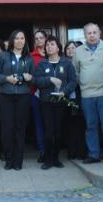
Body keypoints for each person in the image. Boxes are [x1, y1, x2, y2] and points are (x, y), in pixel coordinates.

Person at [0, 30, 35, 171]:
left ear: (25, 41)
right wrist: (6, 79)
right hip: (5, 96)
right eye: (16, 38)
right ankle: (9, 159)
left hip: (23, 96)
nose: (20, 41)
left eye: (22, 38)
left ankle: (18, 161)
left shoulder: (28, 58)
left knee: (20, 129)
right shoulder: (3, 56)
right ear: (12, 41)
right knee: (7, 129)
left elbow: (34, 78)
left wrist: (30, 78)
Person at [73, 23, 103, 164]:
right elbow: (76, 72)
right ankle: (93, 154)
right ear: (84, 35)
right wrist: (84, 84)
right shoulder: (78, 51)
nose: (92, 35)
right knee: (90, 125)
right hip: (86, 95)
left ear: (99, 33)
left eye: (94, 32)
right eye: (89, 33)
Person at [33, 36, 77, 169]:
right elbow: (37, 81)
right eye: (47, 45)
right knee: (48, 131)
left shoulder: (66, 63)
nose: (49, 47)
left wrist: (65, 92)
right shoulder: (42, 63)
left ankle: (56, 158)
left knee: (58, 131)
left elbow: (73, 81)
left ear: (58, 47)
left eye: (52, 44)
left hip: (61, 100)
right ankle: (47, 160)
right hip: (46, 101)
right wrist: (50, 79)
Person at [64, 41, 87, 160]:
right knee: (70, 125)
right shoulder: (63, 63)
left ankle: (82, 151)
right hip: (68, 97)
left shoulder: (82, 61)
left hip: (81, 95)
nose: (70, 50)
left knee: (81, 124)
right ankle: (72, 152)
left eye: (73, 48)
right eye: (68, 48)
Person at [30, 30, 48, 163]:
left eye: (41, 38)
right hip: (35, 95)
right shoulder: (31, 56)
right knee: (39, 124)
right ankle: (43, 151)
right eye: (36, 39)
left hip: (52, 95)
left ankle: (52, 151)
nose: (39, 40)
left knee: (51, 124)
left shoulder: (53, 53)